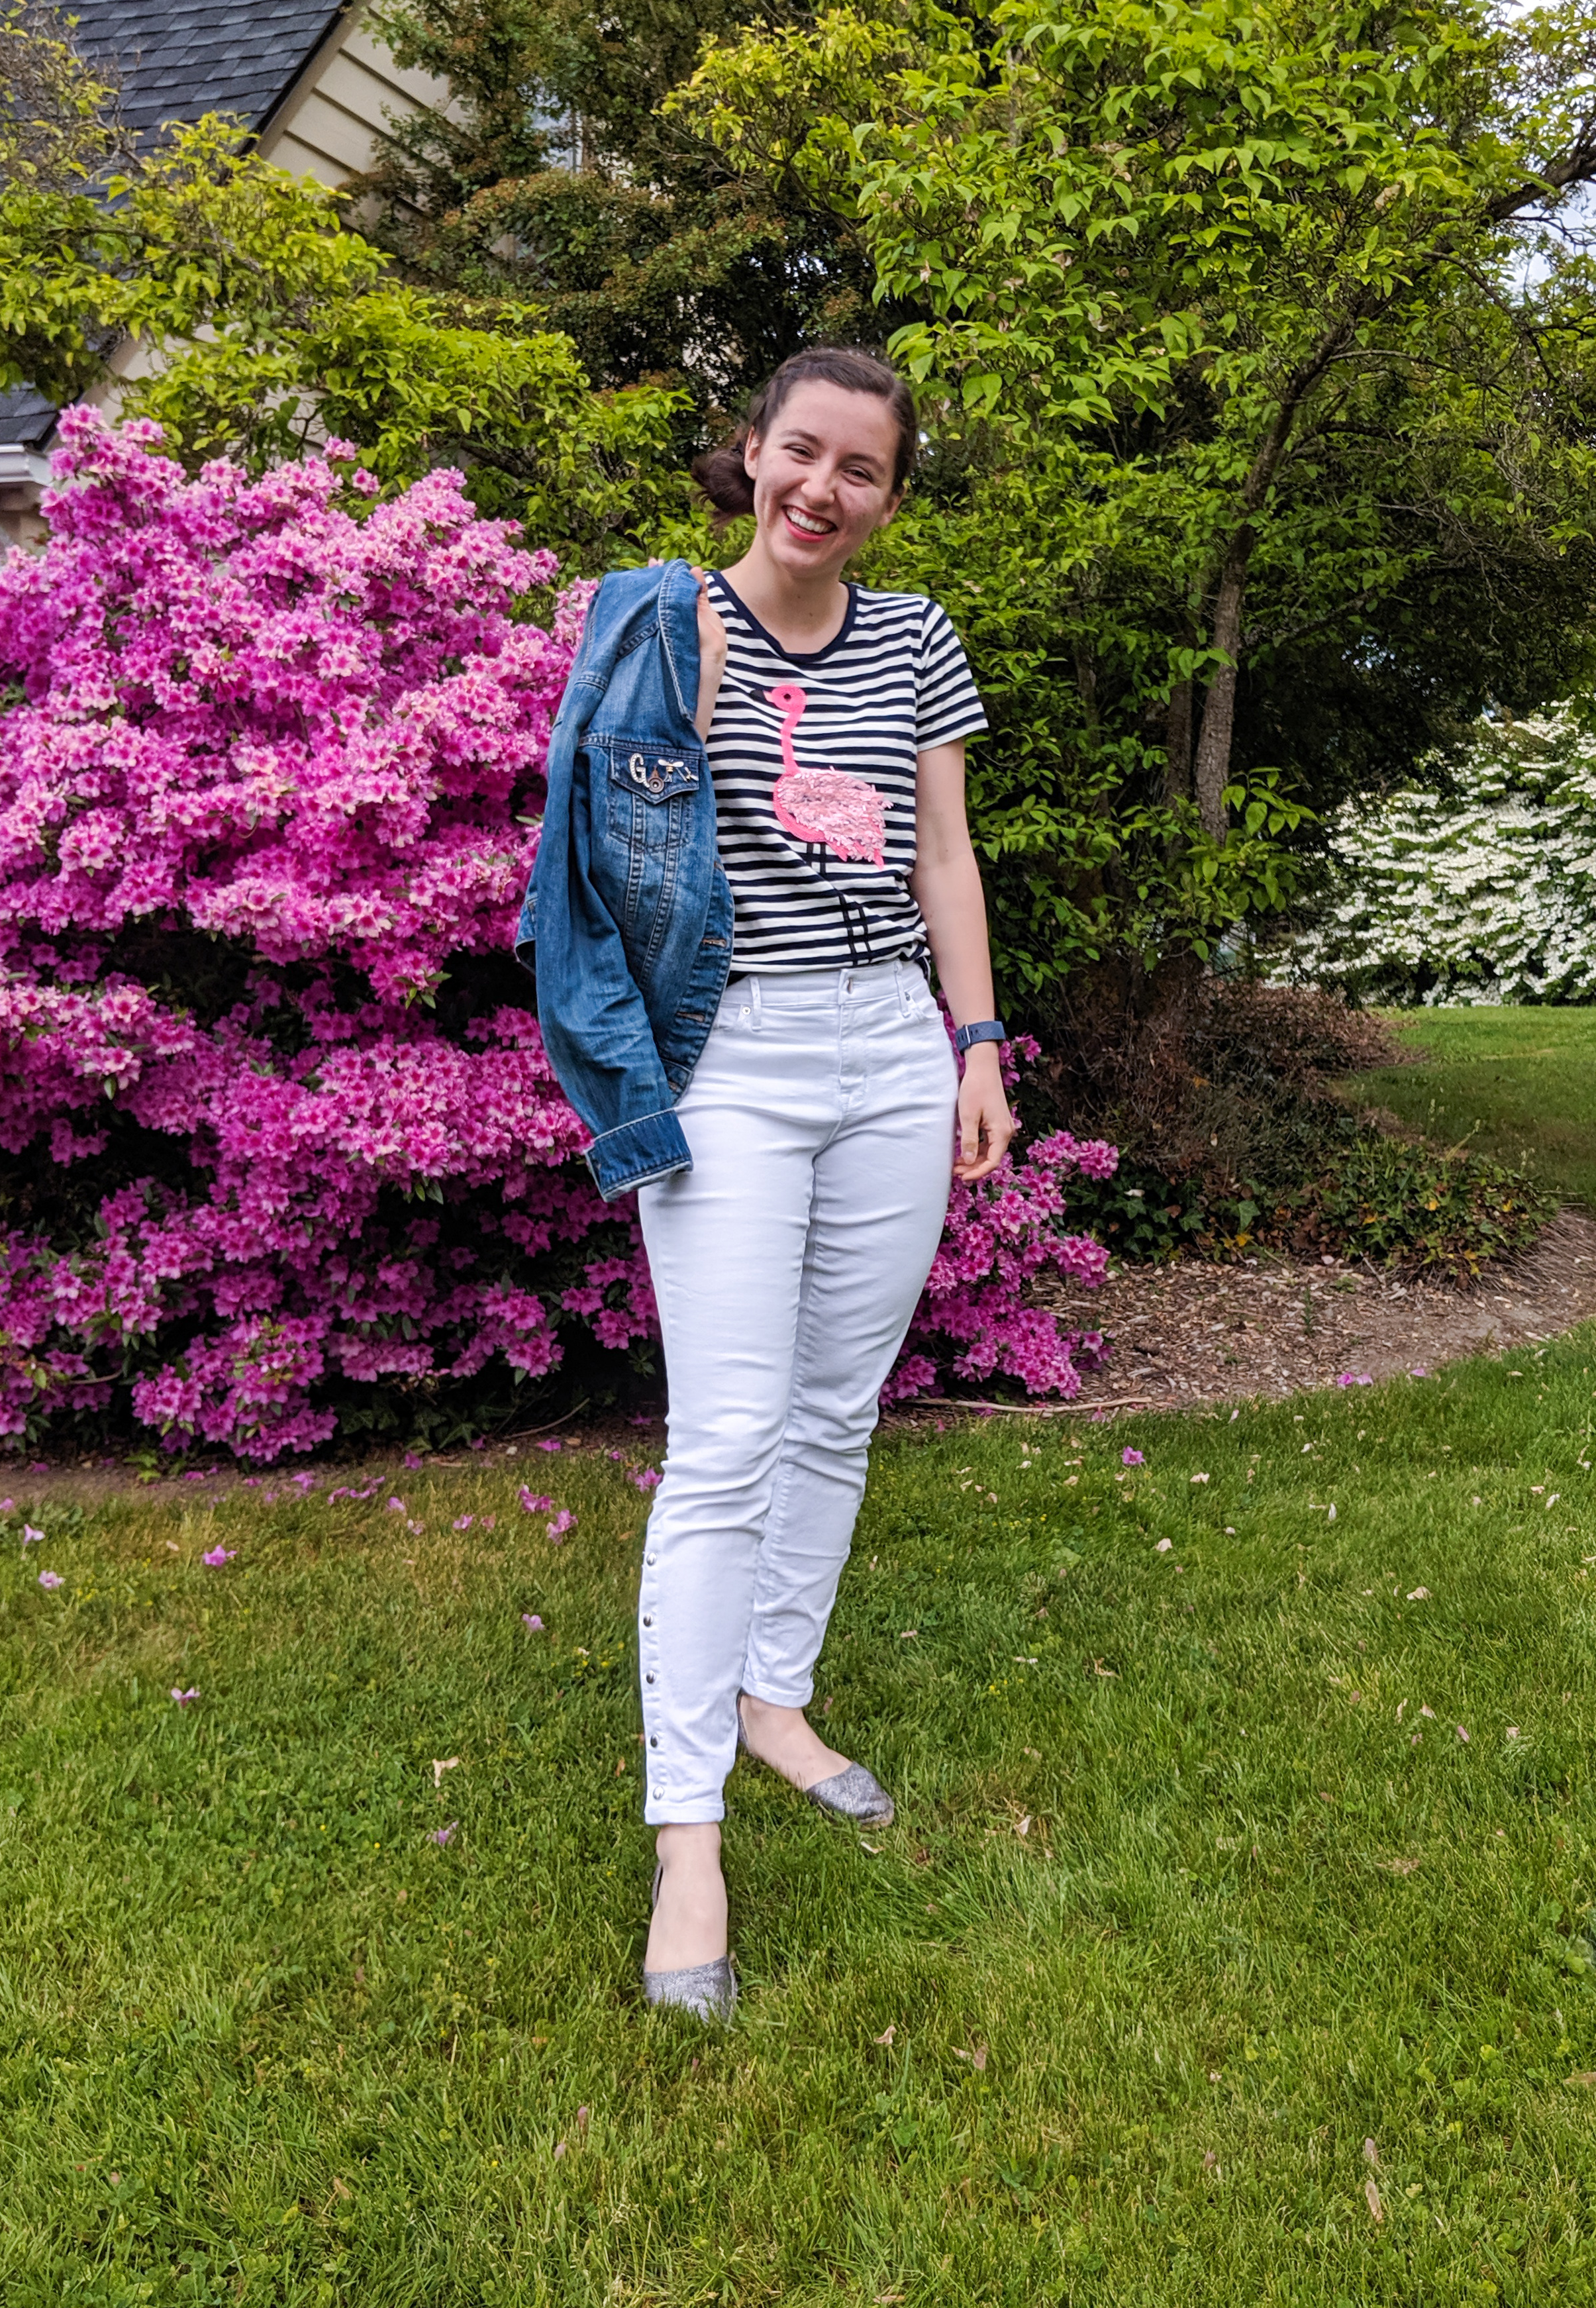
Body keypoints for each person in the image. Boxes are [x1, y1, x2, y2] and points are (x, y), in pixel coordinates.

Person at [626, 346, 1015, 2019]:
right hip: (733, 1052)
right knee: (723, 1440)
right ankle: (686, 1833)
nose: (822, 489)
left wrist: (973, 1044)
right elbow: (615, 855)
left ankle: (771, 1698)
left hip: (886, 1048)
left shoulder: (914, 638)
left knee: (836, 1409)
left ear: (889, 498)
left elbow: (941, 852)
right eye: (801, 452)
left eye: (860, 469)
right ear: (751, 451)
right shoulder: (672, 627)